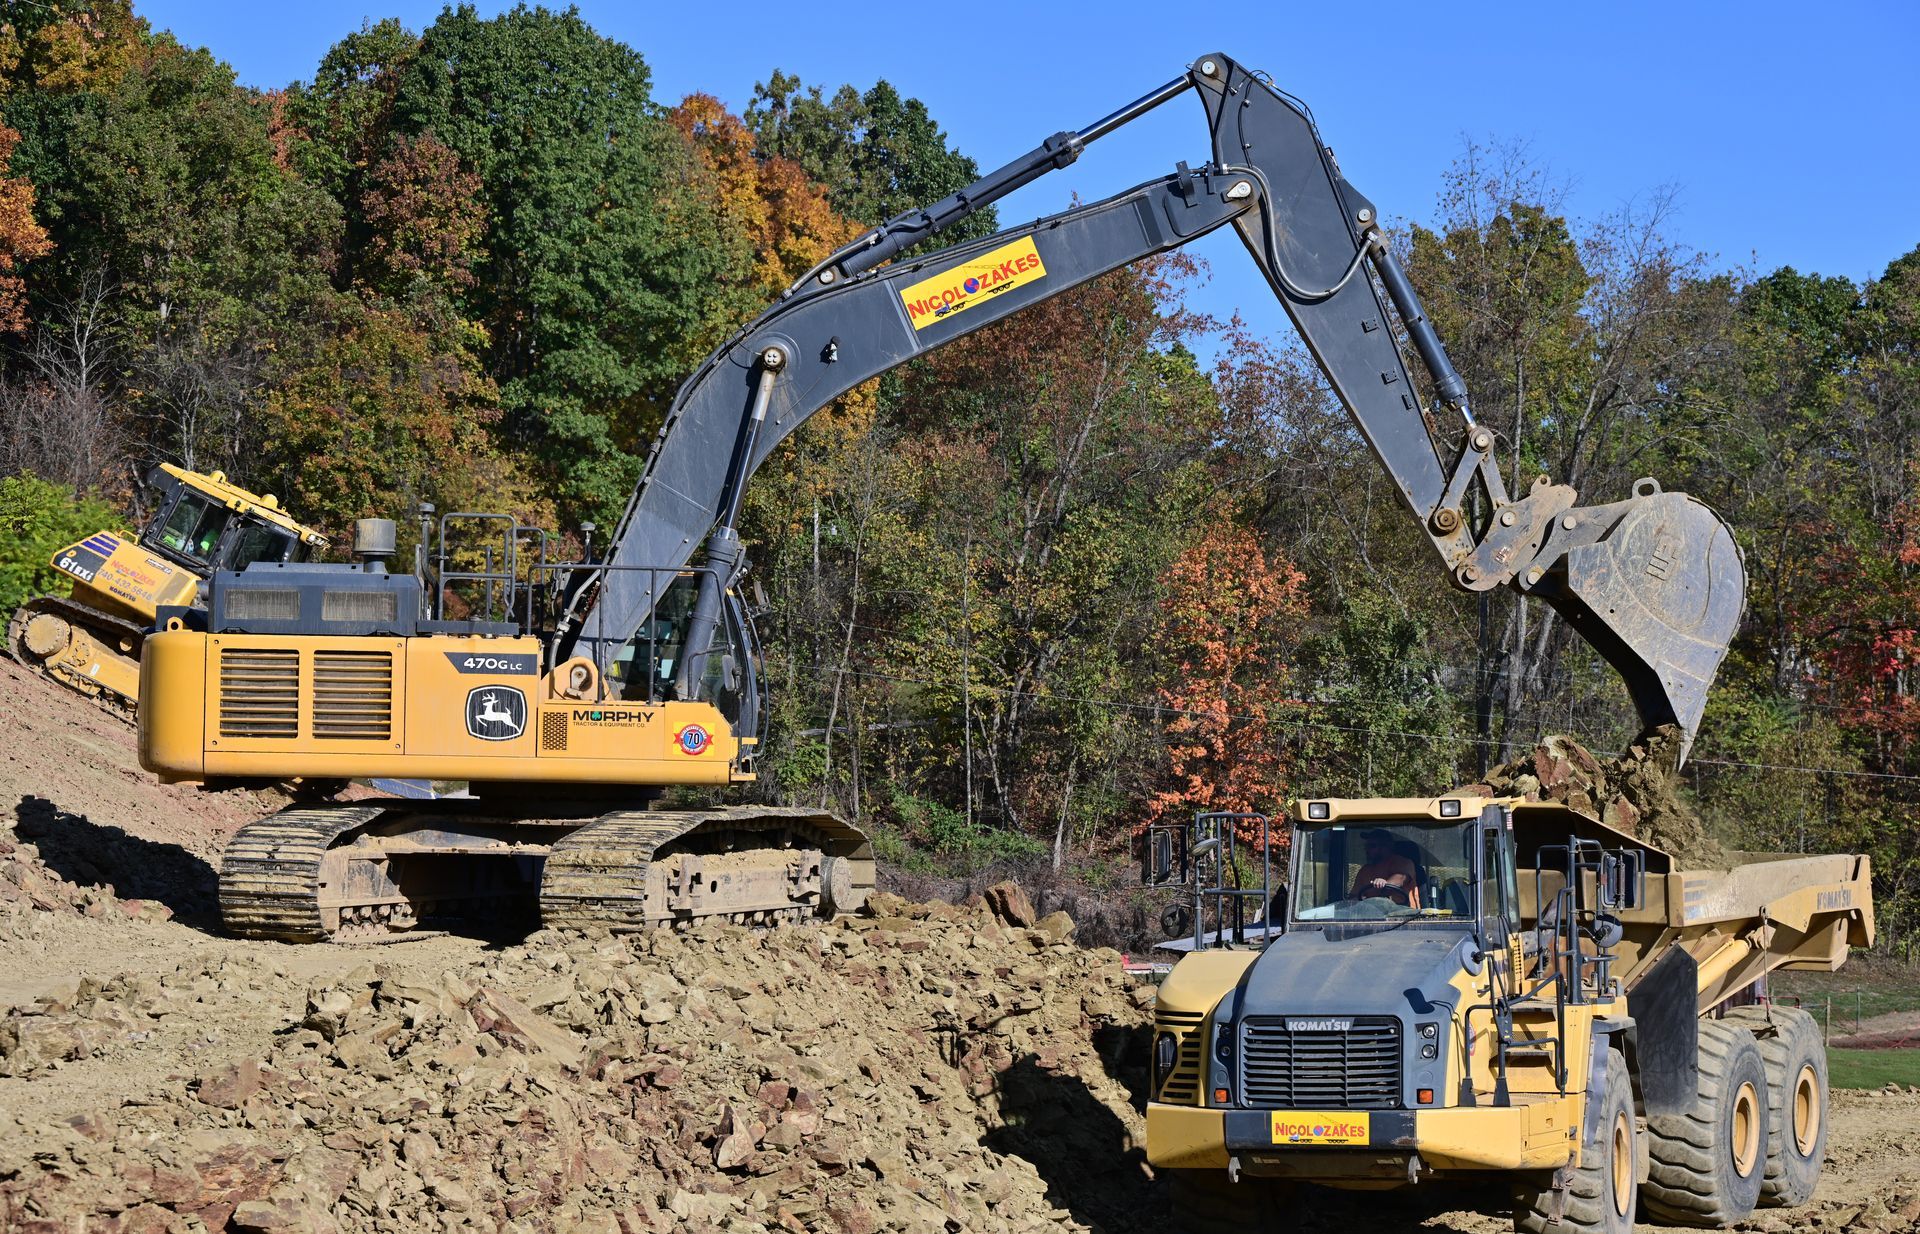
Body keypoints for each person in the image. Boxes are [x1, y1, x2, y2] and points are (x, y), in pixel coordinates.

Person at [1350, 829, 1418, 906]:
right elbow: (1354, 896)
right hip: (1372, 915)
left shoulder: (1404, 863)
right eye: (1366, 846)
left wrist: (1384, 884)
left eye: (1371, 846)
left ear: (1385, 847)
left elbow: (1400, 878)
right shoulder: (1365, 870)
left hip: (1406, 915)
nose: (1367, 850)